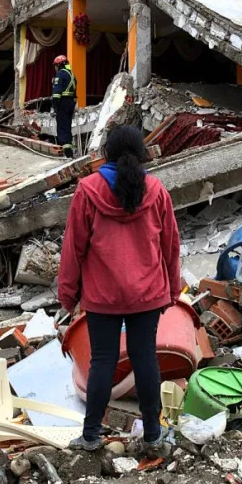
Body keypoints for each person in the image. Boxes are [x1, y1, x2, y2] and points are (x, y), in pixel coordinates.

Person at [57, 125, 182, 456]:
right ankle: (154, 437)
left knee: (102, 361)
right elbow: (170, 245)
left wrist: (68, 296)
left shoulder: (87, 191)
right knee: (145, 361)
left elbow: (74, 248)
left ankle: (90, 436)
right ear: (141, 153)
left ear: (106, 153)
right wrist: (172, 290)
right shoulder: (156, 190)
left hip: (102, 296)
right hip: (148, 294)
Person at [51, 56, 77, 158]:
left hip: (62, 103)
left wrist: (54, 106)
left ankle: (66, 153)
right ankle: (68, 150)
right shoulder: (72, 75)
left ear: (59, 65)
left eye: (55, 66)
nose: (55, 68)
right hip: (70, 103)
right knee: (67, 127)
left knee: (62, 127)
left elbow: (57, 93)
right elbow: (75, 94)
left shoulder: (60, 74)